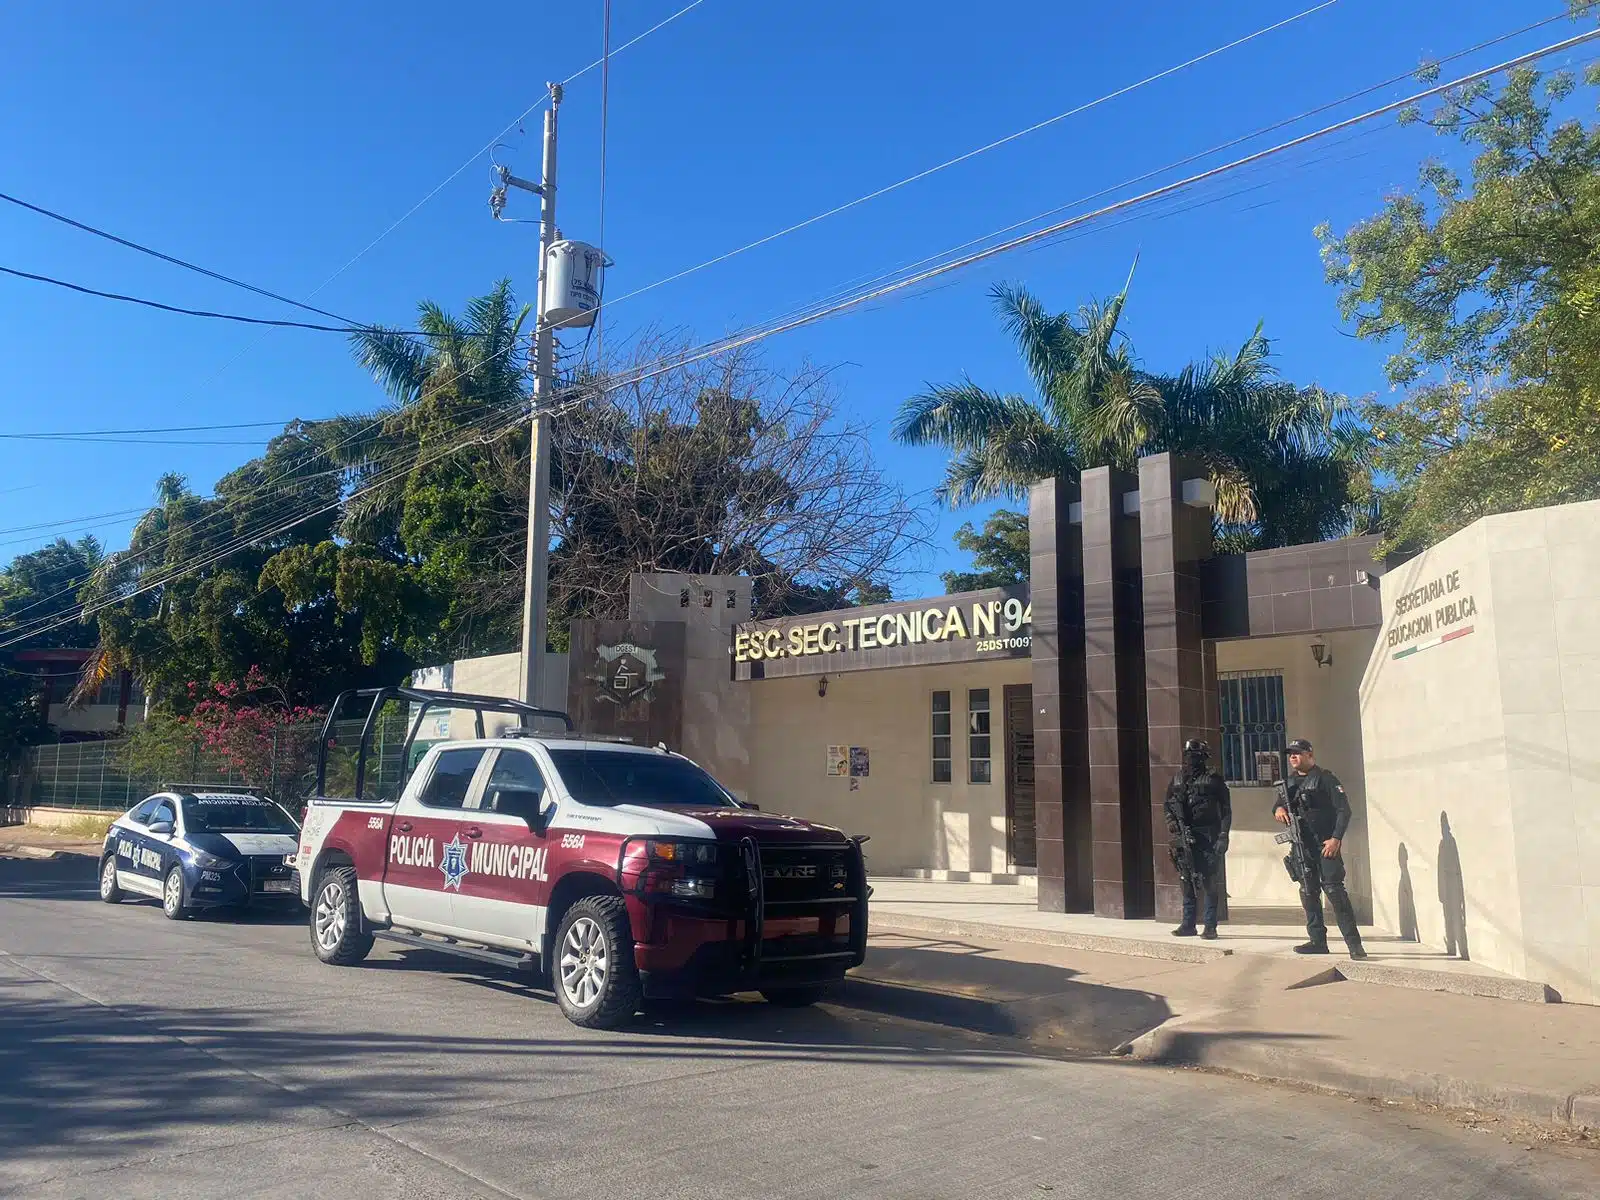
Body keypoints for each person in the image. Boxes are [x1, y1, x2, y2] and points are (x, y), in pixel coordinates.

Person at [1274, 738, 1366, 960]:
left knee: (1335, 892)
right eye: (1290, 754)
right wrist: (1278, 809)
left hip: (1324, 845)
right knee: (1308, 891)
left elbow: (1344, 810)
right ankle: (1317, 941)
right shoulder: (1288, 783)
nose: (1293, 757)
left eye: (1297, 753)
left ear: (1309, 754)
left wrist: (1336, 839)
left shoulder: (1325, 779)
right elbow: (1278, 804)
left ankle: (1355, 945)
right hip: (1301, 846)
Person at [1164, 737, 1231, 940]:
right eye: (1189, 756)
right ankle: (1188, 924)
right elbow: (1167, 804)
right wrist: (1171, 822)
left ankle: (1210, 926)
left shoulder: (1214, 779)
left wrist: (1223, 836)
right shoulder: (1177, 779)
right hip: (1185, 836)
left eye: (1196, 756)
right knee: (1186, 879)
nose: (1192, 760)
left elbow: (1226, 810)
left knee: (1210, 881)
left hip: (1209, 836)